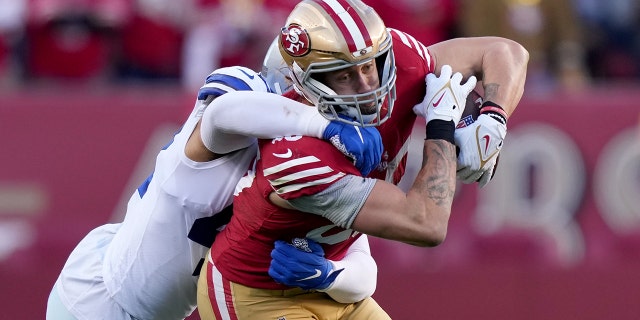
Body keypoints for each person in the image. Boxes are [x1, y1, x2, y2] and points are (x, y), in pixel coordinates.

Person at [197, 0, 528, 319]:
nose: (368, 84)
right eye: (344, 76)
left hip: (330, 279)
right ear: (308, 82)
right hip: (255, 293)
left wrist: (492, 119)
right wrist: (441, 124)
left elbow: (507, 52)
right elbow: (426, 223)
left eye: (369, 66)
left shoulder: (400, 62)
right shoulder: (296, 153)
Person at [45, 66, 383, 320]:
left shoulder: (305, 165)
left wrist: (329, 275)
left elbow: (364, 267)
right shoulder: (206, 148)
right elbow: (224, 113)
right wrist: (323, 125)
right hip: (101, 298)